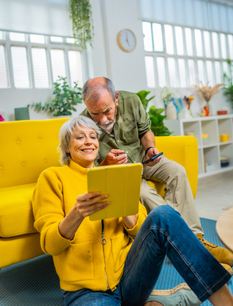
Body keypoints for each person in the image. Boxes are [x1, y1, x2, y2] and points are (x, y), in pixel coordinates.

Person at [32, 115, 233, 306]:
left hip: (131, 279)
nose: (88, 142)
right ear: (66, 146)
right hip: (86, 292)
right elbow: (50, 245)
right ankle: (166, 300)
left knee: (163, 215)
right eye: (79, 137)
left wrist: (127, 213)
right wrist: (77, 213)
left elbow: (142, 230)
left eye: (93, 136)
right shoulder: (52, 178)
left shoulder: (116, 175)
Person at [80, 77, 233, 275]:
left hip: (144, 159)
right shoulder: (83, 124)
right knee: (144, 193)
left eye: (107, 111)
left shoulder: (132, 101)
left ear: (116, 98)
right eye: (95, 113)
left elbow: (145, 131)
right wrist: (105, 164)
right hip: (122, 172)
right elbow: (88, 166)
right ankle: (190, 245)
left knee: (177, 171)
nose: (102, 120)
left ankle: (195, 238)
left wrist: (150, 147)